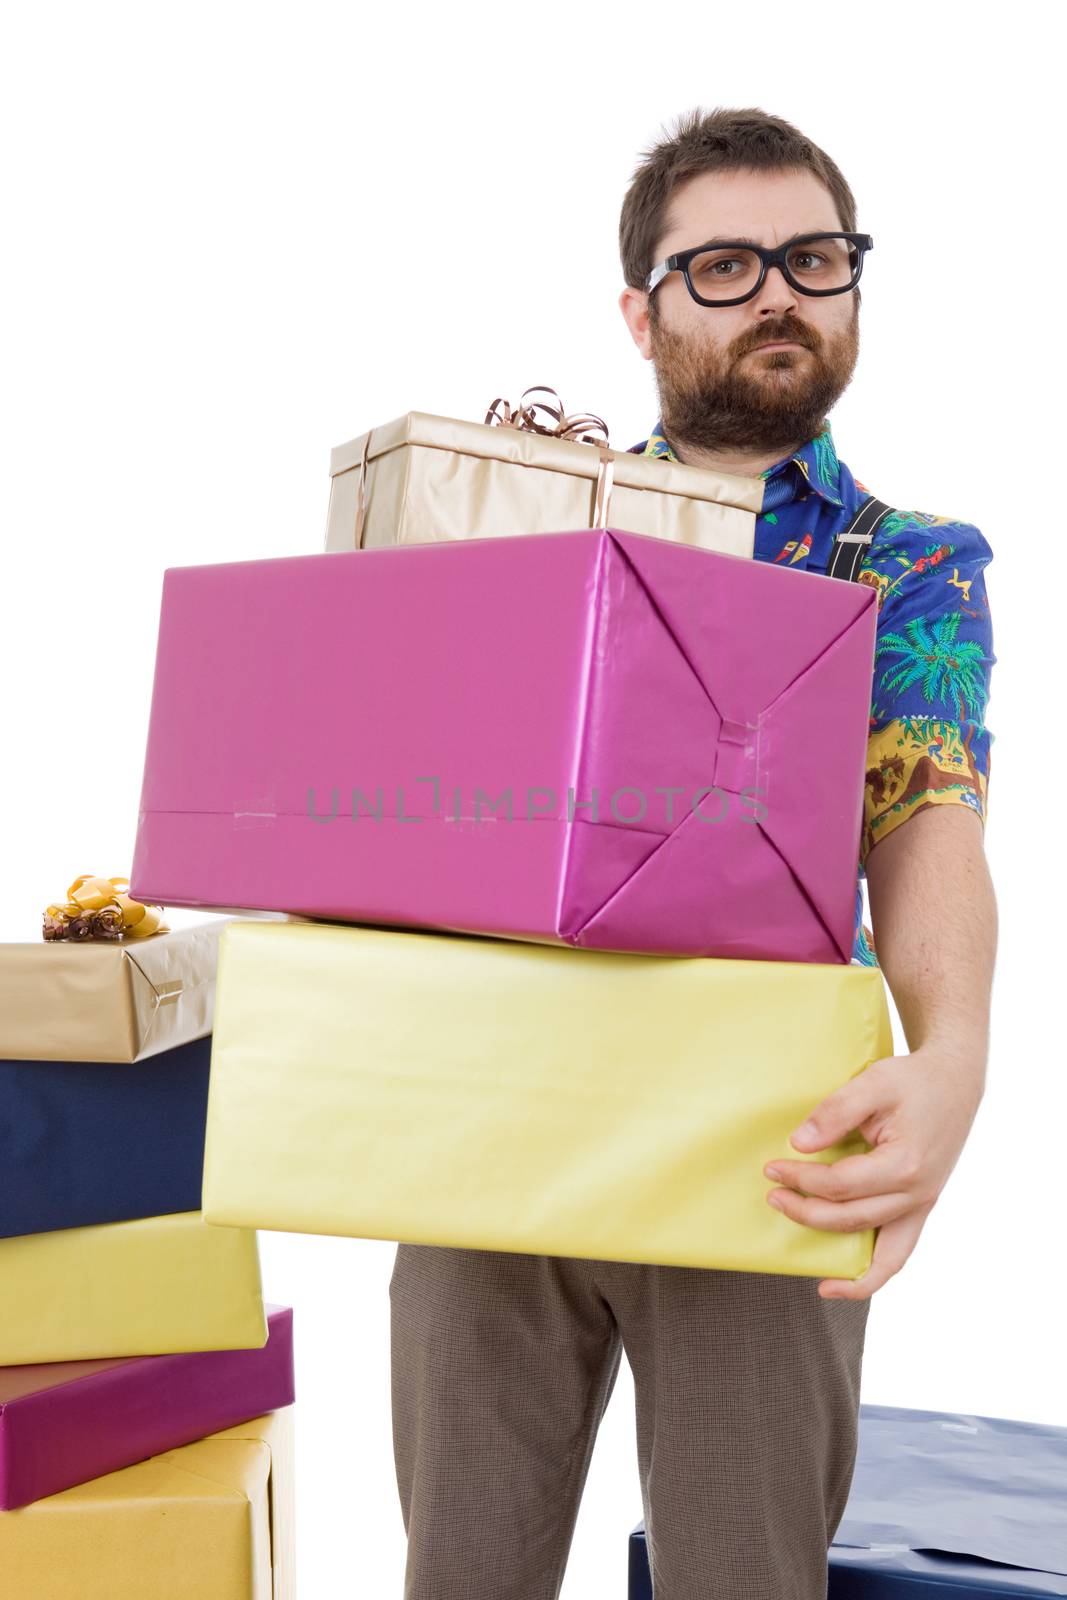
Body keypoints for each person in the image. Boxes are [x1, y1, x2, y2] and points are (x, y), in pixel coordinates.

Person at [390, 106, 998, 1600]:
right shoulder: (526, 523)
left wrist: (959, 1050)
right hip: (498, 1105)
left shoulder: (908, 561)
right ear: (641, 310)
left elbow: (925, 813)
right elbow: (408, 783)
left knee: (746, 1574)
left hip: (768, 1133)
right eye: (722, 264)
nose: (777, 291)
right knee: (462, 1574)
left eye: (812, 257)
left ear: (853, 285)